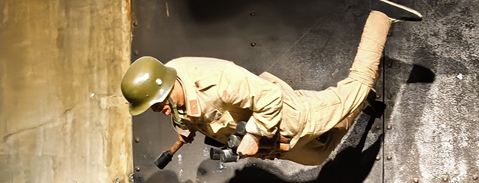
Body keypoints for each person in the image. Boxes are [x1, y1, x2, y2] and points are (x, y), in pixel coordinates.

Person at [120, 0, 423, 166]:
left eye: (158, 104)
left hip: (290, 118)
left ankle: (381, 16)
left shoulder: (218, 81)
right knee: (316, 157)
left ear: (166, 88)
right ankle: (358, 103)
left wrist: (252, 136)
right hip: (274, 142)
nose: (158, 110)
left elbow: (268, 99)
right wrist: (185, 129)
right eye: (152, 108)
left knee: (356, 84)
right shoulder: (170, 90)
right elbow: (186, 112)